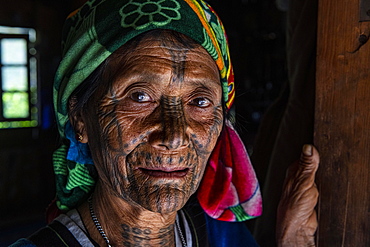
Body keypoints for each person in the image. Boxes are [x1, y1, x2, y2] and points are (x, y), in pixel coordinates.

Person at [10, 0, 319, 246]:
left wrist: (294, 241)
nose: (173, 136)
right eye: (140, 97)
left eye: (199, 102)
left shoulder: (223, 237)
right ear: (80, 118)